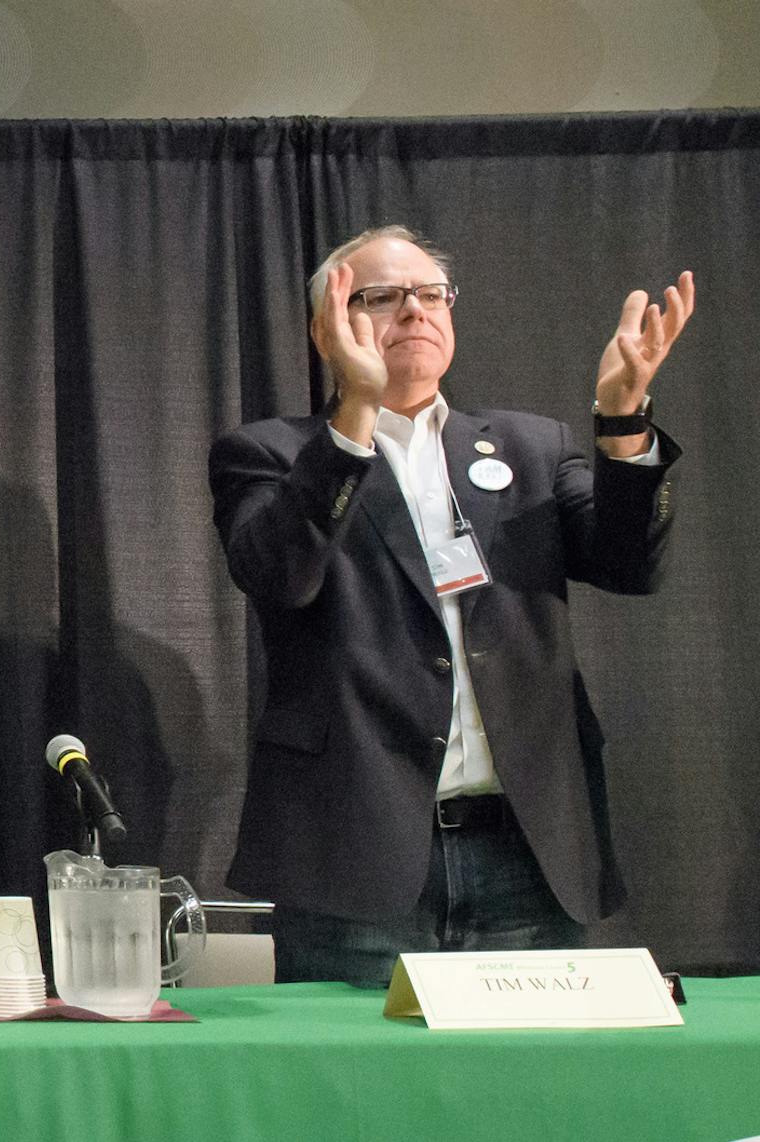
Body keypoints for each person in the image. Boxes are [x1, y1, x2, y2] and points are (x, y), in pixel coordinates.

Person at [209, 226, 695, 986]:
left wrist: (623, 420)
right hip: (358, 860)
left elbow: (631, 564)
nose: (415, 311)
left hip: (527, 857)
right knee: (365, 1099)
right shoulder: (270, 453)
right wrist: (358, 413)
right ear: (326, 329)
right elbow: (280, 575)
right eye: (382, 297)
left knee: (523, 1097)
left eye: (431, 294)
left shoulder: (531, 447)